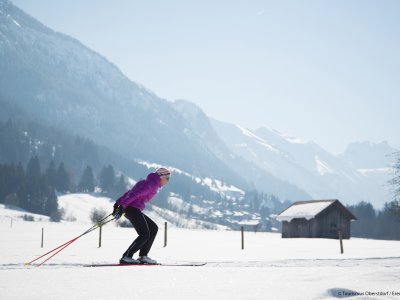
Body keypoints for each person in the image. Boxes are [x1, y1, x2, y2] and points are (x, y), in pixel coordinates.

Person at [112, 167, 171, 264]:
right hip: (132, 209)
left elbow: (129, 192)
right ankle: (127, 256)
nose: (168, 181)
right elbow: (133, 195)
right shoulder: (150, 185)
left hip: (133, 208)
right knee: (144, 234)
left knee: (153, 228)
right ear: (161, 177)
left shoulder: (151, 183)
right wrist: (121, 206)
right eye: (167, 178)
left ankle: (143, 256)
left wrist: (118, 203)